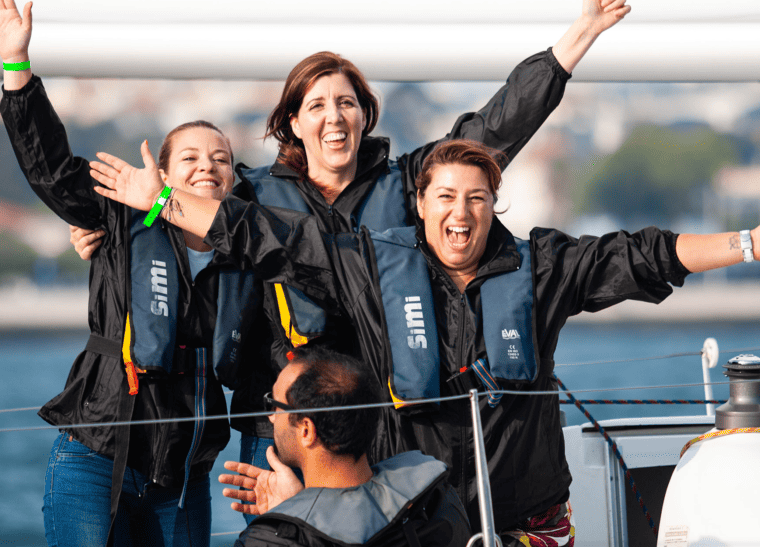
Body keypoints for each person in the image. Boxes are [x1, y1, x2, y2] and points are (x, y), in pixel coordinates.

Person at [88, 138, 760, 546]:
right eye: (444, 195)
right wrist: (158, 200)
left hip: (533, 521)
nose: (461, 211)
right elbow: (266, 235)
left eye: (476, 197)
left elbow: (642, 255)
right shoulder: (369, 266)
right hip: (420, 524)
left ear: (493, 205)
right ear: (420, 204)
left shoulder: (541, 267)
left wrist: (746, 243)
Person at [72, 2, 633, 517]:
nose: (334, 117)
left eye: (346, 103)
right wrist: (107, 233)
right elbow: (194, 214)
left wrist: (576, 38)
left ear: (365, 115)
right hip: (289, 417)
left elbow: (493, 129)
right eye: (317, 105)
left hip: (384, 412)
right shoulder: (251, 194)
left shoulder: (411, 184)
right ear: (293, 123)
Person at [0, 1, 260, 545]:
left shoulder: (248, 249)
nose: (208, 166)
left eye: (221, 158)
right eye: (192, 158)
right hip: (94, 457)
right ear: (162, 174)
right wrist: (17, 65)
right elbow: (52, 169)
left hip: (184, 478)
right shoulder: (121, 218)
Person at [218, 347, 473, 547]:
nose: (271, 417)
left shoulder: (269, 540)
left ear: (307, 431)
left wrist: (288, 524)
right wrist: (299, 508)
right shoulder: (435, 499)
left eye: (274, 405)